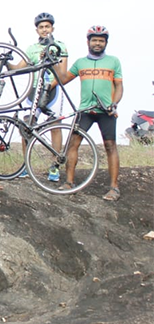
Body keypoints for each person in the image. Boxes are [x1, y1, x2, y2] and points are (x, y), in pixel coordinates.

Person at [56, 25, 123, 200]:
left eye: (101, 41)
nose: (97, 43)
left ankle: (114, 188)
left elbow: (119, 86)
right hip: (85, 110)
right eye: (94, 40)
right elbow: (63, 79)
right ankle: (69, 183)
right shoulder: (80, 63)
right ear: (88, 42)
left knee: (110, 146)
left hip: (106, 110)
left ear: (106, 43)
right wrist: (57, 61)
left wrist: (114, 103)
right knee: (73, 144)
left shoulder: (113, 61)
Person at [8, 12, 70, 182]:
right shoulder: (32, 49)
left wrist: (51, 59)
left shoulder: (60, 46)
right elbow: (18, 68)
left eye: (47, 27)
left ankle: (54, 165)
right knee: (26, 126)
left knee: (55, 126)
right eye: (41, 27)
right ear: (37, 30)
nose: (44, 30)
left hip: (53, 89)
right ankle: (26, 166)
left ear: (52, 28)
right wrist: (5, 61)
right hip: (34, 90)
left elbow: (63, 75)